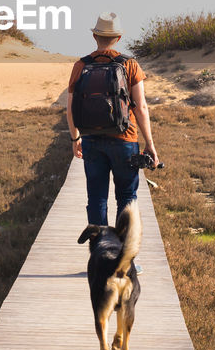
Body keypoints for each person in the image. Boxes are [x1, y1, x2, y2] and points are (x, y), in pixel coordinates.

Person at [66, 12, 159, 228]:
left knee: (97, 197)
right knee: (126, 197)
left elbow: (70, 109)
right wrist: (150, 145)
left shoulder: (81, 66)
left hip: (92, 139)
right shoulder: (129, 65)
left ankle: (100, 253)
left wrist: (74, 139)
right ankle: (125, 257)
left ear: (94, 37)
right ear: (118, 38)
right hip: (125, 140)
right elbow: (141, 108)